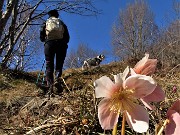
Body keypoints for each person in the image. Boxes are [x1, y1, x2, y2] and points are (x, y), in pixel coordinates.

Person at [40, 9, 70, 95]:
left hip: (49, 44)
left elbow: (41, 34)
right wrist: (64, 42)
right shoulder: (61, 22)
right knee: (59, 64)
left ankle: (49, 85)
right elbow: (67, 37)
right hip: (61, 44)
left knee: (49, 65)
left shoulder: (46, 22)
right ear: (57, 15)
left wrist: (44, 39)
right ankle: (57, 79)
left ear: (49, 15)